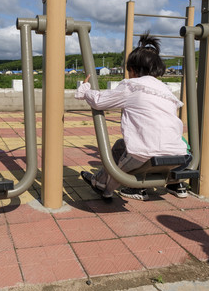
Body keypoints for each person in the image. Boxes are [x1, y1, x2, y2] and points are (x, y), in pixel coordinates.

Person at [76, 32, 189, 201]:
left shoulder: (133, 86)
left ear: (133, 70)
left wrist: (85, 89)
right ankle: (100, 181)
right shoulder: (165, 90)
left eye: (128, 70)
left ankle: (104, 189)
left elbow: (99, 101)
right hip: (178, 155)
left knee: (120, 166)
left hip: (145, 153)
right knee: (121, 146)